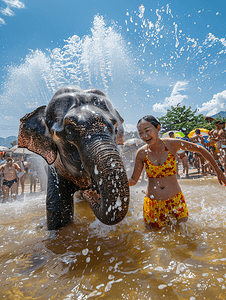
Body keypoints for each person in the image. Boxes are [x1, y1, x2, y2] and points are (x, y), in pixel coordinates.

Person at [128, 115, 226, 230]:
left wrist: (219, 172)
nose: (144, 136)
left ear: (158, 128)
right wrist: (114, 182)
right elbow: (133, 180)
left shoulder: (171, 144)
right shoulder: (141, 153)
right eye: (140, 133)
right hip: (153, 205)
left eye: (147, 131)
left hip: (176, 201)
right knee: (155, 243)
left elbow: (200, 149)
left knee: (184, 239)